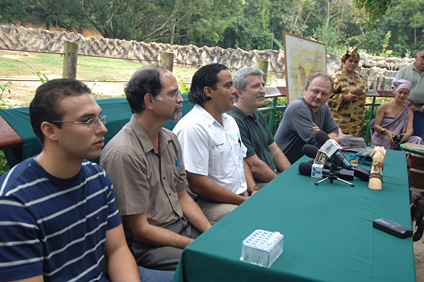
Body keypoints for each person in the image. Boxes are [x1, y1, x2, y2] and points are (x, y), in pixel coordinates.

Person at [0, 79, 145, 281]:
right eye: (88, 121)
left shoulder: (97, 177)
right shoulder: (14, 203)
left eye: (99, 117)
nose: (102, 128)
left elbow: (118, 250)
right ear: (50, 130)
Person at [100, 67, 212, 272]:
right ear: (149, 101)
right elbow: (139, 230)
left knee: (225, 251)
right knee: (211, 265)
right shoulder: (125, 153)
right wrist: (195, 246)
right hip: (150, 246)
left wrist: (209, 234)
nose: (180, 99)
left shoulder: (170, 139)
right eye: (172, 94)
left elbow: (182, 196)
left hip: (182, 228)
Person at [173, 63, 256, 223]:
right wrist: (243, 202)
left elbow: (241, 160)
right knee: (252, 219)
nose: (234, 91)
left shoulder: (230, 120)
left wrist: (254, 189)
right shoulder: (193, 127)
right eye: (228, 85)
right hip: (210, 202)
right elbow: (198, 184)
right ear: (208, 91)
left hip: (240, 197)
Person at [228, 67, 291, 187]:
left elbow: (275, 150)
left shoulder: (257, 113)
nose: (262, 90)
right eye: (256, 86)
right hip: (257, 183)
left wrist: (289, 175)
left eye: (263, 84)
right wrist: (282, 183)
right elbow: (254, 166)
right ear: (239, 92)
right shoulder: (233, 120)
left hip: (273, 176)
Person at [274, 72, 344, 164]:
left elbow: (334, 130)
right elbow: (318, 143)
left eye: (324, 94)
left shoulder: (323, 107)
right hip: (285, 166)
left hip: (308, 162)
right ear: (306, 90)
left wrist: (324, 137)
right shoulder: (298, 108)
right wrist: (340, 139)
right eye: (315, 91)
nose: (319, 96)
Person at [328, 46, 368, 137]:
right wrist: (344, 97)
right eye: (350, 61)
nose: (353, 64)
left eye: (355, 62)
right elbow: (327, 97)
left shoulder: (360, 78)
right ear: (344, 61)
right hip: (340, 121)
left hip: (356, 122)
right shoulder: (337, 77)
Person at [372, 78, 423, 149]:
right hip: (384, 137)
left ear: (408, 94)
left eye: (405, 93)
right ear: (395, 92)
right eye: (400, 92)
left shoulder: (408, 111)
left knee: (417, 140)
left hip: (399, 140)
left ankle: (412, 160)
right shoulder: (384, 106)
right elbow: (376, 126)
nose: (402, 95)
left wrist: (407, 135)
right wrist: (387, 132)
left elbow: (410, 129)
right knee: (387, 140)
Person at [395, 47, 424, 140]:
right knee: (403, 136)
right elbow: (394, 88)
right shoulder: (404, 71)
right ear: (416, 57)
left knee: (419, 138)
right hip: (405, 108)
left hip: (422, 111)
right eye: (422, 57)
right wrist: (407, 101)